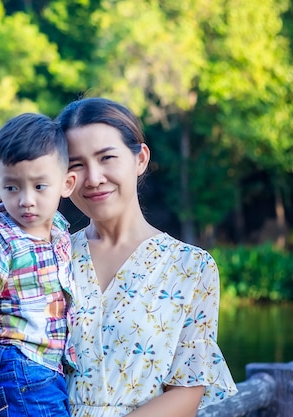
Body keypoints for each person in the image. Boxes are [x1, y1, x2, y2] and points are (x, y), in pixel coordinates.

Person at [56, 97, 238, 417]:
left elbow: (188, 388)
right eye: (76, 164)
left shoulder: (190, 267)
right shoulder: (50, 256)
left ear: (140, 159)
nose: (94, 177)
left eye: (106, 158)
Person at [0, 112, 78, 417]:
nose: (26, 199)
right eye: (12, 187)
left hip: (50, 371)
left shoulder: (62, 236)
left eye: (39, 187)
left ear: (66, 184)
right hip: (19, 366)